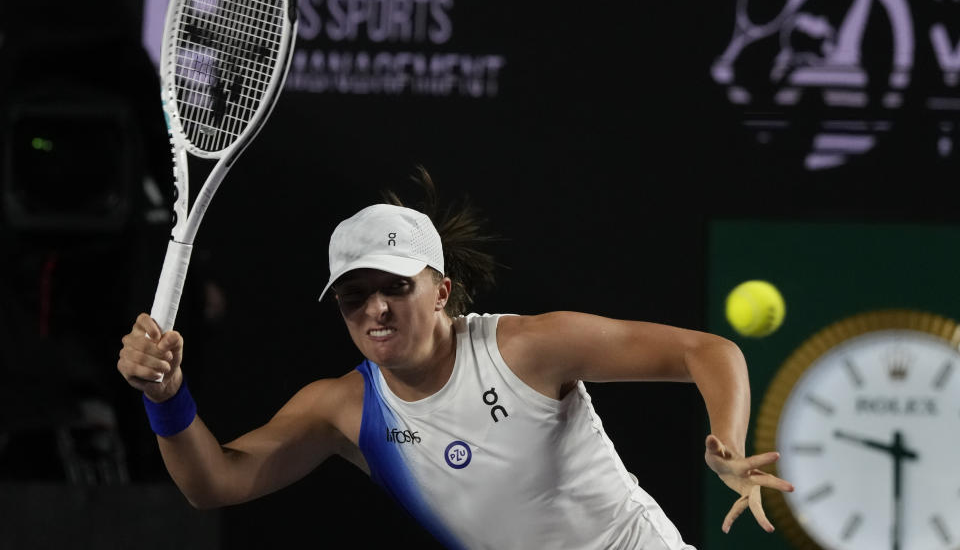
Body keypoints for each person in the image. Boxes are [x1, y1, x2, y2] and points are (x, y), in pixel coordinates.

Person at [118, 168, 794, 549]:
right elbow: (213, 485)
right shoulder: (343, 410)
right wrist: (166, 396)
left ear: (440, 291)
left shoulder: (525, 349)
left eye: (394, 288)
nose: (375, 310)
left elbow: (706, 352)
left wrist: (727, 450)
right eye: (355, 297)